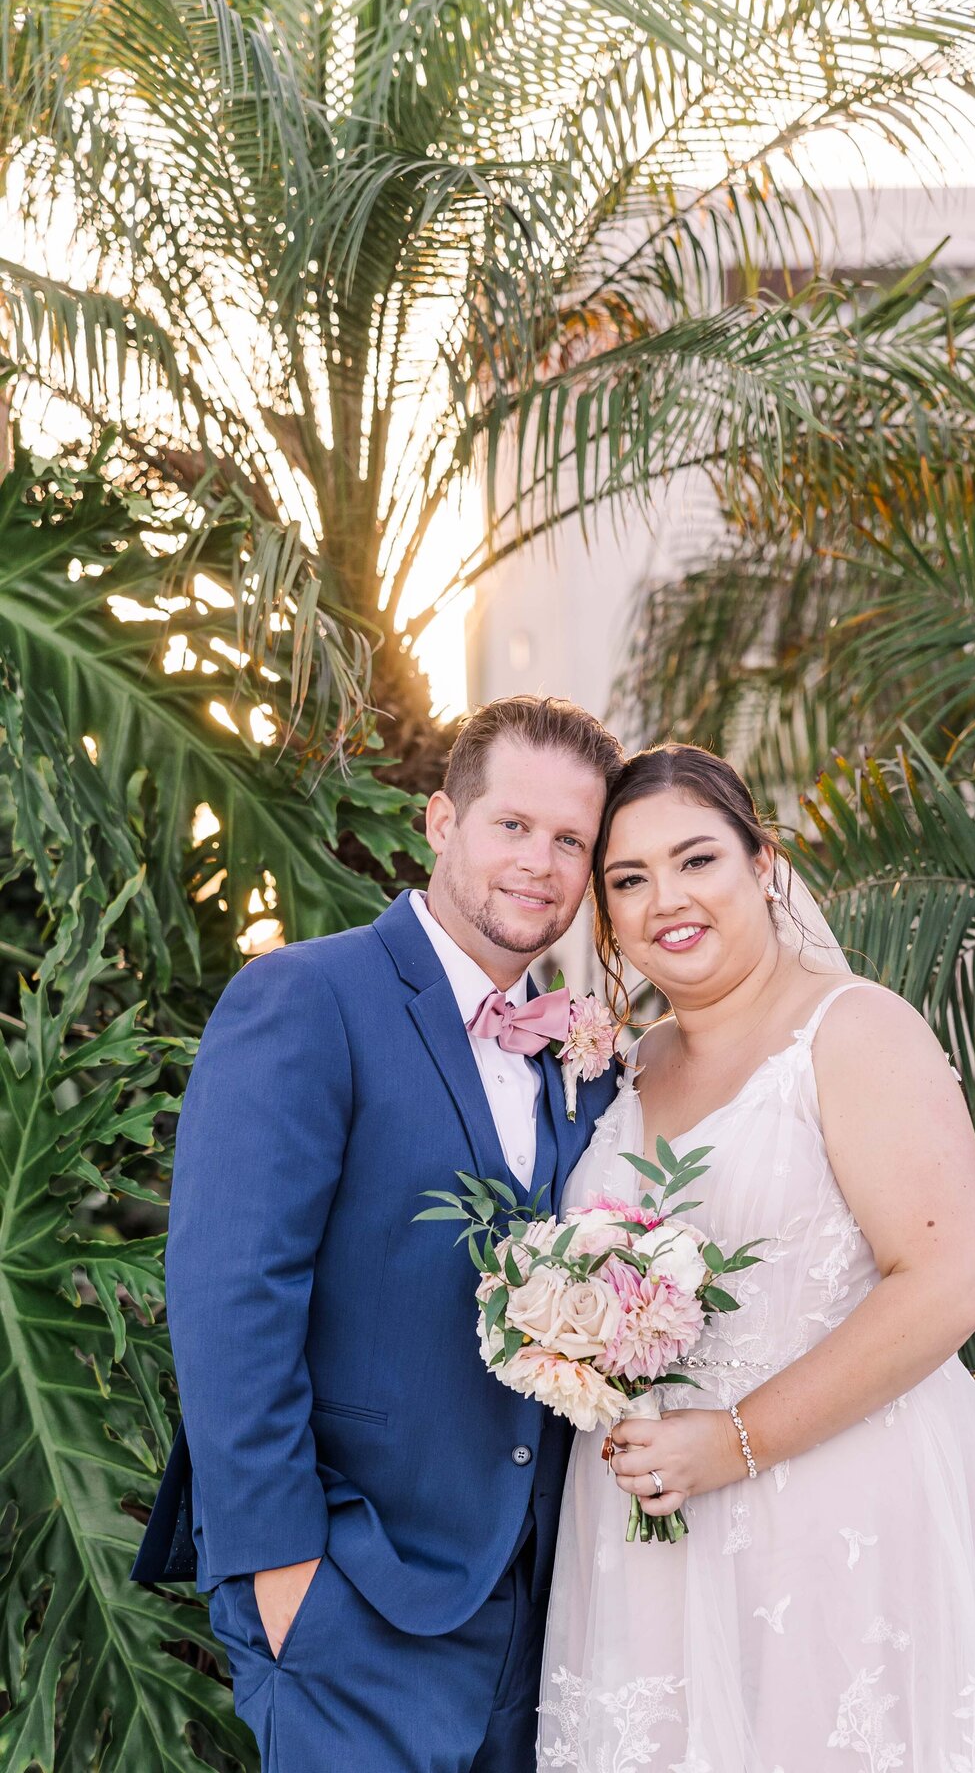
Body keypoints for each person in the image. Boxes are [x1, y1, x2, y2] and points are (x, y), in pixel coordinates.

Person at [536, 742, 975, 1773]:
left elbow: (951, 1284)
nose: (665, 900)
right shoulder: (625, 1067)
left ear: (763, 864)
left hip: (839, 1507)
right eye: (628, 880)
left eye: (697, 861)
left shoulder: (853, 1033)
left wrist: (729, 1443)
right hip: (650, 1536)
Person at [131, 695, 624, 1771]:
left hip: (546, 1610)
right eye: (512, 825)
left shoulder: (587, 1060)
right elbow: (232, 1292)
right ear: (442, 823)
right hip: (352, 1589)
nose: (539, 862)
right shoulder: (307, 997)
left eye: (570, 842)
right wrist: (282, 1573)